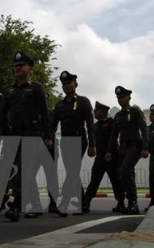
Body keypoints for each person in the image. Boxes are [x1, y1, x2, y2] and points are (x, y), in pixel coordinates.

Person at [0, 51, 52, 221]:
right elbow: (2, 113)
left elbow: (45, 113)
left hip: (32, 134)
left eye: (21, 65)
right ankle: (35, 205)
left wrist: (47, 136)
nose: (18, 68)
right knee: (18, 170)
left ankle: (17, 206)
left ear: (29, 68)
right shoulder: (10, 90)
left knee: (24, 170)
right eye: (16, 66)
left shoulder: (36, 88)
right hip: (15, 135)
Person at [52, 71, 95, 217]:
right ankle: (83, 204)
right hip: (65, 143)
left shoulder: (83, 102)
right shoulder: (59, 105)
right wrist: (49, 140)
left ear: (75, 84)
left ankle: (64, 204)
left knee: (71, 172)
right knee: (73, 172)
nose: (66, 86)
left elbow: (90, 124)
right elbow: (53, 125)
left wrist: (92, 145)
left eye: (68, 83)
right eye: (63, 84)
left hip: (80, 141)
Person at [106, 86, 148, 215]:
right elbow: (114, 135)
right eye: (118, 98)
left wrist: (145, 147)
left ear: (129, 97)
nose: (120, 100)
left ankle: (133, 201)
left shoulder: (135, 111)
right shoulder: (118, 115)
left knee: (124, 171)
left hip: (135, 147)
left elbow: (144, 129)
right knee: (126, 174)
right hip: (122, 148)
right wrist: (109, 150)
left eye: (122, 97)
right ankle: (132, 205)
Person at [83, 101, 125, 213]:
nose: (94, 112)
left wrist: (109, 151)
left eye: (96, 110)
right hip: (100, 157)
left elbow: (113, 138)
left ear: (103, 111)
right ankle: (86, 203)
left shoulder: (112, 123)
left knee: (116, 180)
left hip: (112, 157)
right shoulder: (95, 126)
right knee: (94, 179)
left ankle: (121, 203)